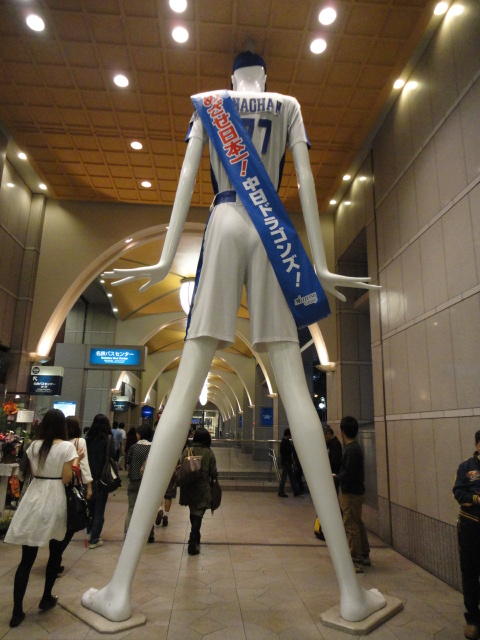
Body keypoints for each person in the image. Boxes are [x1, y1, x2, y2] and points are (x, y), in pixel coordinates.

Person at [85, 52, 384, 624]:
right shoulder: (288, 105)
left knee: (185, 387)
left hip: (223, 220)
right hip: (271, 226)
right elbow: (307, 181)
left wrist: (165, 257)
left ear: (231, 78)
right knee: (294, 386)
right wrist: (320, 262)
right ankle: (350, 592)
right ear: (265, 77)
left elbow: (186, 180)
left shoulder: (210, 104)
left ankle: (119, 589)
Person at [4, 409, 76, 627]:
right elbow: (66, 478)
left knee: (26, 560)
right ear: (62, 426)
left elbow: (27, 472)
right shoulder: (67, 447)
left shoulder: (34, 445)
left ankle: (17, 611)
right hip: (54, 498)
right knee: (55, 554)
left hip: (34, 496)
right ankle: (46, 597)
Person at [56, 416, 94, 576]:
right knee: (70, 524)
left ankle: (55, 557)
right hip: (72, 488)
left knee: (59, 522)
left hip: (56, 486)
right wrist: (89, 486)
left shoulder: (58, 443)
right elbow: (84, 466)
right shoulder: (79, 442)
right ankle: (56, 557)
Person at [452, 430, 480, 640]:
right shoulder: (466, 467)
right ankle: (473, 619)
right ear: (477, 445)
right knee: (470, 573)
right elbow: (459, 492)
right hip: (471, 527)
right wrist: (475, 499)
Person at [335, 416, 370, 573]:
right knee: (357, 522)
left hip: (350, 493)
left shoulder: (351, 450)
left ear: (342, 431)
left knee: (350, 525)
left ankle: (355, 559)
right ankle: (364, 554)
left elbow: (348, 473)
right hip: (357, 491)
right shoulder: (355, 448)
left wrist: (336, 477)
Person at [179, 427, 217, 555]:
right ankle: (193, 536)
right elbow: (213, 472)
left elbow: (181, 466)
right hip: (202, 487)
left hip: (188, 486)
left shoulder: (187, 450)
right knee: (199, 512)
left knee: (193, 510)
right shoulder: (209, 452)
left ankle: (195, 535)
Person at [85, 413, 114, 549]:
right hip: (102, 478)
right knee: (99, 509)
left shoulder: (87, 439)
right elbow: (113, 456)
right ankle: (94, 538)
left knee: (90, 507)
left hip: (87, 478)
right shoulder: (108, 440)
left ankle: (90, 529)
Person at [125, 426, 155, 543]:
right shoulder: (154, 448)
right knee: (148, 509)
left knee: (131, 508)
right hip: (149, 484)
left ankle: (128, 533)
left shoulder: (133, 447)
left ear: (140, 434)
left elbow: (128, 464)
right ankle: (149, 534)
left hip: (134, 480)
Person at [278, 428, 300, 497]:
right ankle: (281, 492)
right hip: (286, 462)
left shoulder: (286, 441)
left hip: (287, 462)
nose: (291, 436)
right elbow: (285, 452)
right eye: (290, 435)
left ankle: (295, 491)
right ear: (288, 434)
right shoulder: (284, 442)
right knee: (285, 478)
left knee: (291, 477)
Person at [324, 424, 342, 491]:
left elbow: (335, 461)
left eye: (324, 435)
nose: (324, 437)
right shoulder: (330, 444)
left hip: (333, 473)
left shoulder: (335, 444)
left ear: (328, 433)